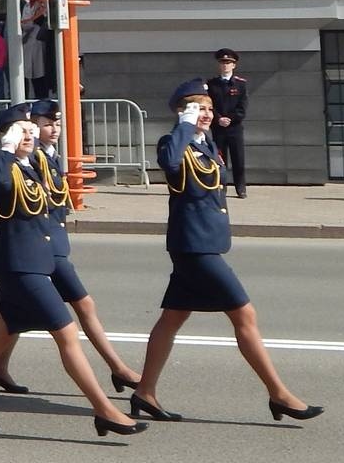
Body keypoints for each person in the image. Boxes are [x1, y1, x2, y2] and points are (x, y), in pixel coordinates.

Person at [129, 80, 322, 424]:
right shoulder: (175, 142)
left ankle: (145, 392)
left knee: (172, 318)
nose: (205, 114)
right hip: (194, 249)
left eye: (207, 108)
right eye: (196, 108)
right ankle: (279, 395)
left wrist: (196, 130)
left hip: (202, 243)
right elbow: (170, 163)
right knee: (244, 314)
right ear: (181, 112)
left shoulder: (207, 145)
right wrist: (185, 125)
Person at [0, 115, 144, 437]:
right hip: (20, 267)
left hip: (35, 263)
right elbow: (1, 185)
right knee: (66, 334)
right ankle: (104, 411)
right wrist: (4, 149)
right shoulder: (3, 167)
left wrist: (30, 147)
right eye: (19, 131)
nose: (27, 135)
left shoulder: (29, 166)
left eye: (29, 130)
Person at [0, 98, 140, 394]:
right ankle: (117, 369)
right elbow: (10, 187)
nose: (52, 129)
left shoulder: (49, 157)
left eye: (55, 124)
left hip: (46, 247)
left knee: (7, 319)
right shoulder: (33, 158)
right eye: (44, 125)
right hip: (43, 250)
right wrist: (3, 149)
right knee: (80, 308)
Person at [208, 48, 248, 198]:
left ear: (234, 65)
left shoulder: (240, 84)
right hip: (218, 128)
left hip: (234, 128)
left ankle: (240, 188)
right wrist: (218, 119)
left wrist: (230, 119)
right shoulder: (212, 84)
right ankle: (221, 186)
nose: (225, 65)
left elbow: (242, 108)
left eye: (228, 63)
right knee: (219, 159)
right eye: (222, 63)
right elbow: (210, 105)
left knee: (238, 159)